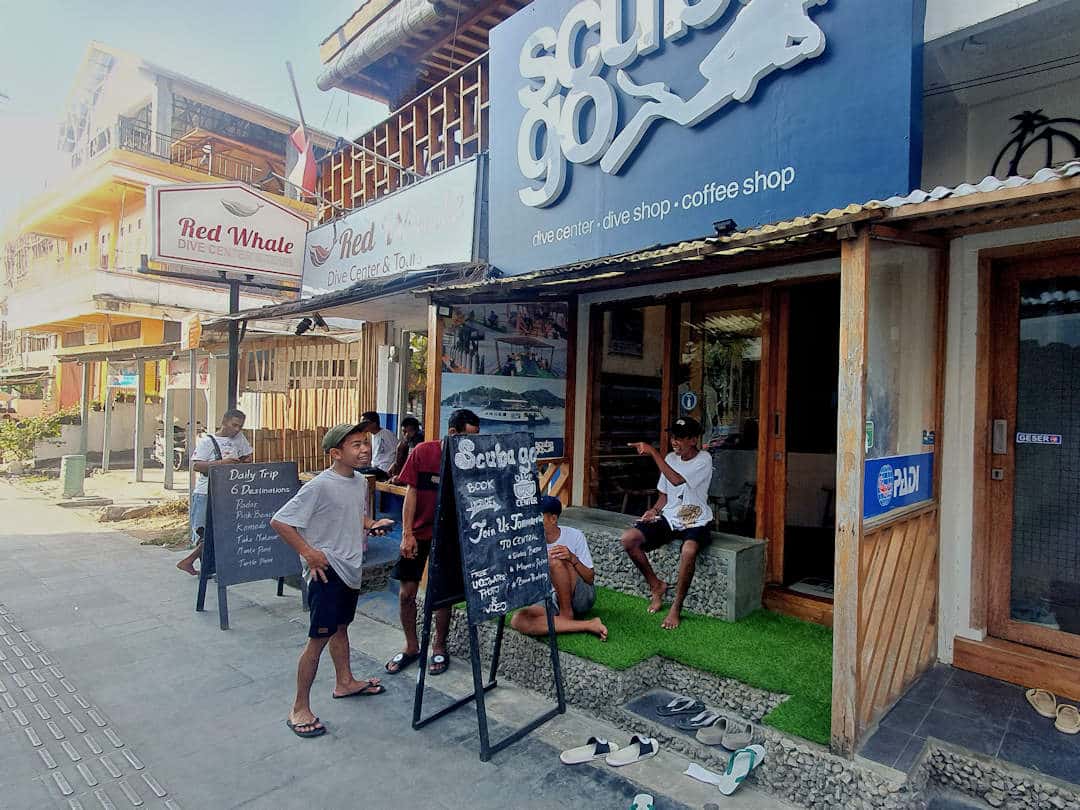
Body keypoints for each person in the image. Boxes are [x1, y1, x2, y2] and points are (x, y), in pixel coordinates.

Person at [270, 423, 395, 739]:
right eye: (356, 444)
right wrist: (309, 553)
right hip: (327, 573)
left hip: (350, 570)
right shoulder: (319, 486)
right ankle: (299, 707)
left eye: (365, 442)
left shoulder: (358, 482)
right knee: (318, 639)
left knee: (340, 628)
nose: (365, 448)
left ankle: (345, 682)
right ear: (336, 453)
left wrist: (371, 524)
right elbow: (280, 521)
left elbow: (353, 515)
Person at [384, 408, 480, 677]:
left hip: (449, 537)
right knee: (407, 594)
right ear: (452, 433)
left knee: (442, 597)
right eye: (468, 436)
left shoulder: (471, 460)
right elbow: (411, 493)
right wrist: (407, 533)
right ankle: (412, 646)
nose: (472, 442)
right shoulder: (423, 452)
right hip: (419, 532)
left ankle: (439, 646)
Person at [620, 416, 714, 630]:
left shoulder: (704, 459)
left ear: (693, 439)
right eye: (673, 437)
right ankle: (657, 585)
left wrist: (653, 452)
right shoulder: (670, 458)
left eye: (680, 437)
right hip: (671, 517)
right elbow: (665, 495)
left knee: (689, 550)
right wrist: (653, 510)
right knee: (629, 539)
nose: (675, 441)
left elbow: (676, 480)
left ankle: (676, 607)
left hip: (696, 519)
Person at [511, 496, 607, 640]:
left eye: (538, 516)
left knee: (555, 561)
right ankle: (587, 624)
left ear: (553, 519)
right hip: (549, 597)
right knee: (518, 619)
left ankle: (566, 614)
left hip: (580, 596)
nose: (532, 521)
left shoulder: (575, 535)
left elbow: (589, 578)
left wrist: (572, 558)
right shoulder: (528, 541)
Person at [176, 408, 253, 576]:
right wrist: (221, 463)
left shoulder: (239, 439)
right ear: (224, 422)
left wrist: (242, 462)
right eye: (234, 425)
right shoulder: (207, 442)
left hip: (228, 492)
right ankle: (202, 565)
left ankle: (199, 564)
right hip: (206, 492)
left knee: (222, 531)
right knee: (205, 531)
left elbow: (248, 457)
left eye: (240, 427)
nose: (237, 430)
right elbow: (197, 465)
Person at [356, 411, 398, 480]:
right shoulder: (373, 435)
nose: (363, 427)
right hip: (376, 468)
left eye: (365, 424)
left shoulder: (386, 434)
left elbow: (397, 451)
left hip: (384, 470)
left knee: (357, 472)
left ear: (374, 424)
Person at [388, 416, 424, 481]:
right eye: (404, 432)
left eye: (410, 431)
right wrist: (395, 464)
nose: (406, 435)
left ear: (417, 430)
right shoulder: (406, 441)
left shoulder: (419, 441)